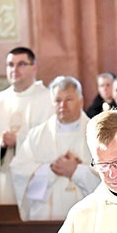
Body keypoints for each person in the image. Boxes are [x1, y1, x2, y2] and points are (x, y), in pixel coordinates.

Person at [10, 76, 99, 220]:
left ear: (81, 101)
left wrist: (77, 171)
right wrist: (50, 170)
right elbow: (20, 171)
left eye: (69, 99)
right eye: (58, 100)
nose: (63, 105)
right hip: (45, 223)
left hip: (87, 220)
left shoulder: (97, 135)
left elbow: (108, 176)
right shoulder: (37, 135)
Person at [0, 47, 54, 204]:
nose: (14, 69)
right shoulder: (0, 100)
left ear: (34, 67)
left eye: (21, 64)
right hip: (4, 177)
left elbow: (52, 140)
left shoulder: (49, 100)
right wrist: (1, 145)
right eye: (10, 65)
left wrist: (19, 140)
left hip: (36, 179)